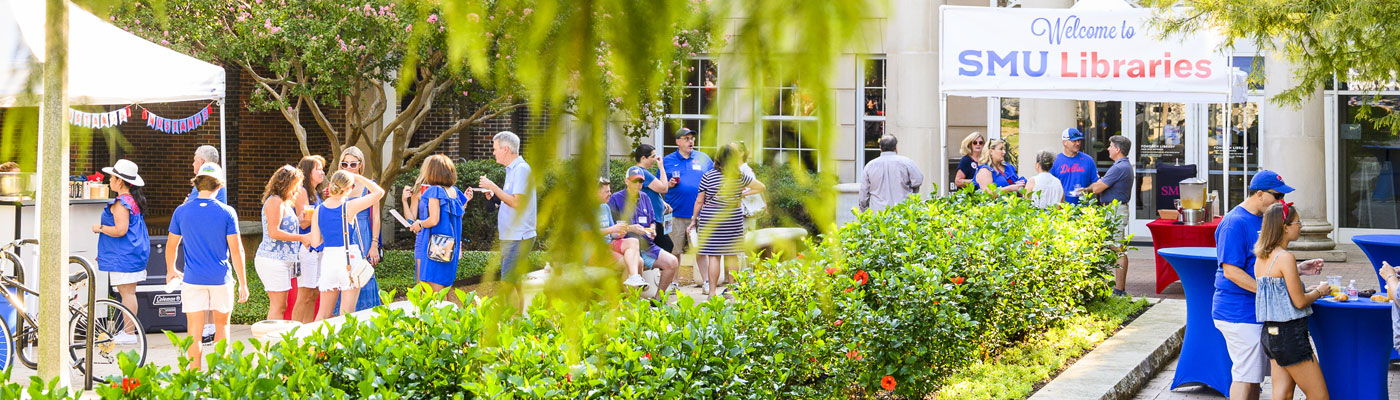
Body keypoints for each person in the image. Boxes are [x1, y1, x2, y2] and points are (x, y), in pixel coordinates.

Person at [1209, 170, 1324, 400]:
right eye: (1277, 196)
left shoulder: (1264, 219)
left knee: (1255, 378)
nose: (1281, 202)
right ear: (1260, 194)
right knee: (1245, 375)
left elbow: (1266, 265)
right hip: (1238, 312)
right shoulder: (1234, 222)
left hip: (1256, 313)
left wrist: (1297, 270)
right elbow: (1231, 271)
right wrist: (1269, 293)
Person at [165, 163, 248, 370]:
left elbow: (171, 245)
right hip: (221, 278)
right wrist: (244, 284)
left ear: (197, 184)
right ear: (219, 186)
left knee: (194, 332)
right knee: (222, 328)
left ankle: (195, 381)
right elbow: (237, 251)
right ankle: (219, 376)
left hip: (192, 280)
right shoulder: (227, 212)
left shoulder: (181, 211)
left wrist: (170, 269)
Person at [1252, 202, 1330, 400]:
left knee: (1282, 395)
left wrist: (1302, 277)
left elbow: (1280, 293)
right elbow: (1299, 302)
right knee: (1319, 395)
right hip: (1290, 336)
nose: (1300, 226)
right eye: (1297, 222)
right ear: (1285, 227)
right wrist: (1320, 291)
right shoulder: (1286, 257)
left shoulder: (1262, 257)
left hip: (1270, 334)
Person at [303, 170, 385, 320]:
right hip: (349, 259)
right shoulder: (349, 206)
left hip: (329, 260)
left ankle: (314, 343)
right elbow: (379, 192)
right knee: (346, 314)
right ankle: (344, 344)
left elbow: (315, 242)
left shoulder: (318, 209)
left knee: (323, 314)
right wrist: (359, 176)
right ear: (349, 188)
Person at [690, 143, 765, 300]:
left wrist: (693, 219)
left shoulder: (708, 176)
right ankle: (731, 291)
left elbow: (699, 200)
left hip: (711, 218)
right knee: (732, 255)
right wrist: (741, 195)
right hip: (733, 217)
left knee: (714, 256)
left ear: (718, 158)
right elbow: (761, 187)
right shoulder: (739, 177)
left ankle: (711, 293)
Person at [92, 159, 149, 344]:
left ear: (120, 181)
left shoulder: (120, 203)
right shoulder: (132, 200)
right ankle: (128, 332)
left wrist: (99, 228)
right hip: (133, 253)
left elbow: (120, 230)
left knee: (127, 293)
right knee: (129, 292)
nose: (109, 180)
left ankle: (129, 333)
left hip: (124, 255)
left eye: (111, 177)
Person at [402, 155, 470, 296]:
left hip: (434, 244)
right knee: (442, 291)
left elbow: (434, 220)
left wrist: (420, 223)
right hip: (449, 245)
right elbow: (458, 215)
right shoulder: (454, 192)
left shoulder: (434, 191)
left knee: (430, 293)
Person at [611, 166, 680, 295]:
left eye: (641, 181)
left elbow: (652, 220)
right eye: (635, 181)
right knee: (637, 262)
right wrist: (632, 228)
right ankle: (631, 304)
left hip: (647, 246)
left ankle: (658, 300)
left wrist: (653, 229)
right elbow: (613, 226)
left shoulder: (645, 197)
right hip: (627, 247)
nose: (638, 184)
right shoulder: (616, 198)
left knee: (672, 262)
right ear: (626, 181)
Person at [479, 131, 536, 282]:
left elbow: (517, 202)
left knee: (508, 283)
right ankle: (519, 307)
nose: (493, 152)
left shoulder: (521, 169)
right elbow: (511, 200)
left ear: (505, 149)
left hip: (518, 236)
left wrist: (493, 186)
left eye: (495, 148)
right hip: (512, 236)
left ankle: (512, 307)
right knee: (513, 283)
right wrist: (496, 197)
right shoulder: (512, 170)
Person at [663, 128, 714, 288]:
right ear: (677, 141)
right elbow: (659, 186)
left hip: (700, 214)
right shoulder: (667, 161)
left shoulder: (703, 158)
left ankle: (706, 281)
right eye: (686, 138)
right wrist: (668, 185)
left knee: (701, 250)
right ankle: (673, 282)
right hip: (674, 213)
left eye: (692, 138)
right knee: (674, 250)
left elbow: (713, 181)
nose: (690, 141)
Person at [253, 165, 305, 321]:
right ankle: (270, 342)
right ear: (286, 183)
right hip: (272, 260)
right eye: (296, 184)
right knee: (278, 306)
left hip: (282, 261)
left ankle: (275, 341)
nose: (298, 189)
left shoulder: (284, 202)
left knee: (282, 306)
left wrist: (301, 220)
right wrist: (302, 238)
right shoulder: (274, 201)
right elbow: (274, 232)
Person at [1085, 135, 1134, 296]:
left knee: (1117, 249)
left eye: (1110, 146)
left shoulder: (1119, 167)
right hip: (1115, 210)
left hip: (1115, 211)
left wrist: (1086, 189)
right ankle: (1116, 288)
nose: (1108, 148)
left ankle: (1119, 291)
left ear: (1118, 149)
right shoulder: (1122, 166)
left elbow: (1098, 188)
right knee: (1112, 247)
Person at [337, 147, 384, 311]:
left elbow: (376, 217)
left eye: (352, 164)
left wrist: (374, 244)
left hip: (363, 232)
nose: (348, 168)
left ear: (360, 165)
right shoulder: (338, 186)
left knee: (363, 274)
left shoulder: (369, 186)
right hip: (343, 234)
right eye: (344, 164)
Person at [290, 155, 326, 323]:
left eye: (322, 168)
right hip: (307, 248)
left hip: (318, 247)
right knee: (304, 293)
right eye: (317, 168)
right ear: (307, 171)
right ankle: (294, 332)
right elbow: (302, 222)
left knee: (314, 293)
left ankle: (308, 329)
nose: (322, 172)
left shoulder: (316, 193)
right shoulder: (302, 191)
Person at [858, 134, 924, 212]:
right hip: (902, 212)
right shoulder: (907, 162)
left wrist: (864, 211)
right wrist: (911, 193)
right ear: (896, 147)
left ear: (880, 148)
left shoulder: (870, 166)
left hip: (879, 214)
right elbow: (918, 180)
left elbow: (863, 193)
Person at [597, 177, 645, 278]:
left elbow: (612, 233)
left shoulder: (605, 207)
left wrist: (618, 233)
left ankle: (635, 280)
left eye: (609, 191)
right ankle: (632, 287)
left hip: (609, 245)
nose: (609, 194)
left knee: (637, 251)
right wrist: (612, 229)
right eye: (606, 191)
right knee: (632, 263)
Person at [631, 144, 673, 251]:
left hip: (656, 217)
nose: (655, 160)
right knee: (667, 245)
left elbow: (649, 192)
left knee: (661, 246)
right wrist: (661, 167)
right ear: (643, 158)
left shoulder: (641, 171)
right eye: (653, 157)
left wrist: (662, 202)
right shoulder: (642, 172)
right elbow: (664, 188)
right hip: (652, 218)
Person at [1051, 128, 1097, 204]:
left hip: (1084, 209)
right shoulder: (1055, 161)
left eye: (1079, 140)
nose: (1078, 143)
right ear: (1064, 142)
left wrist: (1087, 189)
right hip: (1062, 210)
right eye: (1074, 141)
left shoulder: (1088, 160)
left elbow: (1096, 183)